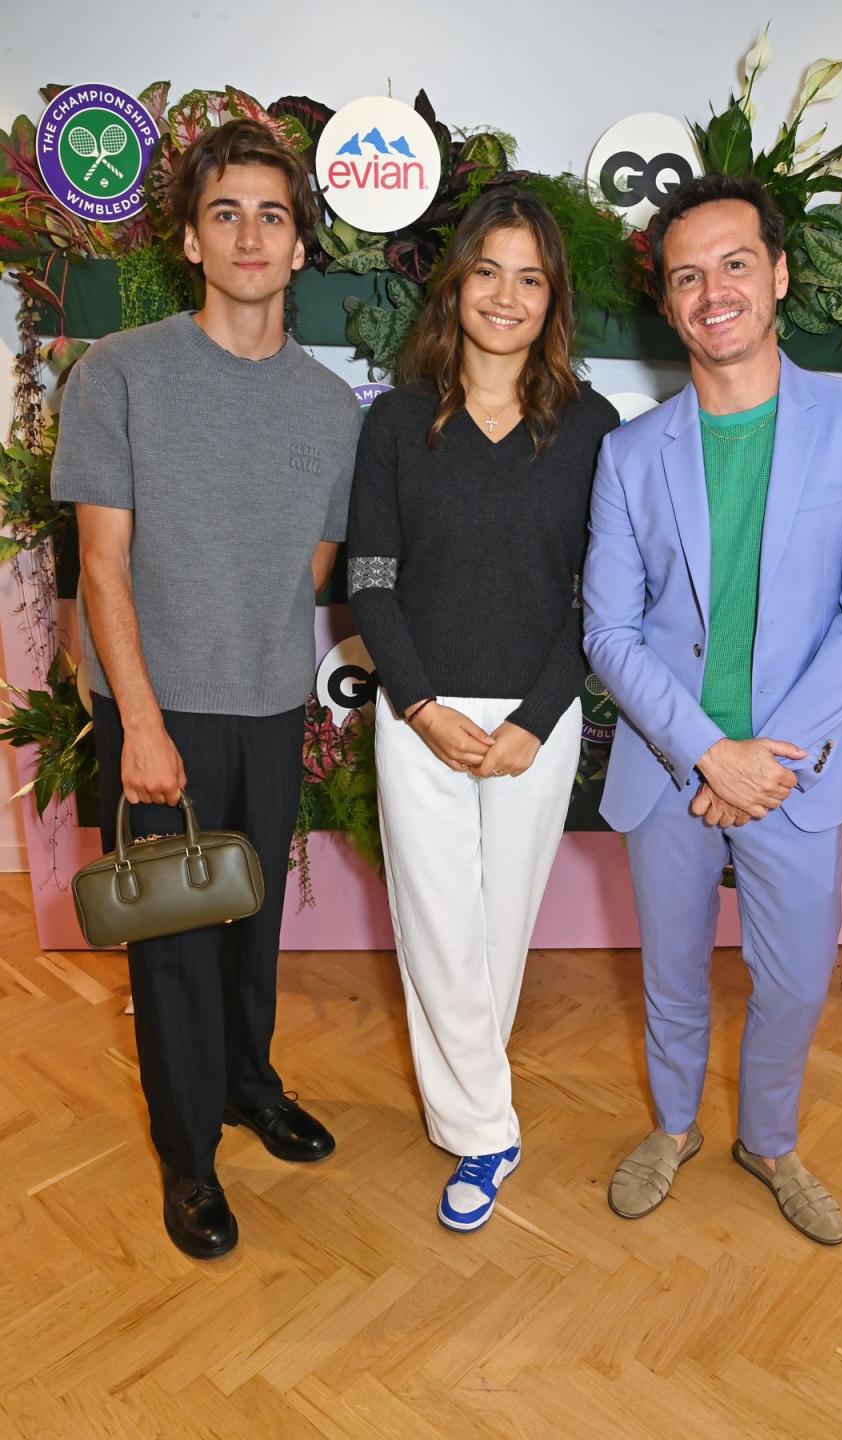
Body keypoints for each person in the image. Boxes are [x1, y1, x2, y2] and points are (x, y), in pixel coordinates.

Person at [51, 119, 362, 1259]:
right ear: (190, 236)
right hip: (159, 706)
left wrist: (257, 643)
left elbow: (318, 567)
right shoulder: (121, 373)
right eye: (225, 211)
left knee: (252, 920)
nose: (248, 234)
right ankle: (188, 1163)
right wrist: (139, 719)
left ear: (296, 249)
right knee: (175, 943)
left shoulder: (333, 410)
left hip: (270, 702)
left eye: (272, 216)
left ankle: (248, 1082)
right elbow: (101, 563)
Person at [583, 174, 842, 1244]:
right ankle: (673, 1126)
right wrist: (707, 754)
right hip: (673, 768)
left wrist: (766, 761)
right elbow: (609, 633)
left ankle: (767, 1140)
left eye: (734, 264)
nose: (712, 290)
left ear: (776, 275)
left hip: (795, 776)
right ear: (668, 304)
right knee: (670, 976)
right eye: (687, 275)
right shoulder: (631, 455)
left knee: (796, 984)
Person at [347, 188, 618, 1231]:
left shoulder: (594, 427)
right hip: (421, 715)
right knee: (438, 931)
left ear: (554, 301)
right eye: (488, 272)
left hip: (534, 725)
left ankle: (468, 1107)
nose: (506, 296)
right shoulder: (398, 421)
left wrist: (537, 718)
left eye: (532, 278)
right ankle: (484, 1134)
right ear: (455, 284)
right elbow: (371, 578)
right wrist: (417, 705)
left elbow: (604, 596)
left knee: (497, 934)